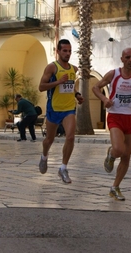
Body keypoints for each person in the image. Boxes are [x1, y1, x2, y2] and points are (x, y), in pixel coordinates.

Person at [92, 47, 131, 201]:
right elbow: (95, 87)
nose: (130, 60)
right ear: (122, 59)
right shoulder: (114, 74)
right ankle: (111, 154)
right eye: (127, 57)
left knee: (127, 156)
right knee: (119, 149)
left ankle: (115, 187)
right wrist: (104, 99)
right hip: (115, 116)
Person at [38, 39, 84, 184]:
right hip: (54, 108)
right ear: (58, 51)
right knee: (49, 140)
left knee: (70, 137)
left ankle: (63, 168)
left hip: (69, 109)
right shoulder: (52, 68)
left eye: (70, 51)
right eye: (64, 50)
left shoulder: (73, 69)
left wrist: (77, 95)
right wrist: (58, 82)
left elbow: (70, 87)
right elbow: (41, 86)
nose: (67, 53)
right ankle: (44, 156)